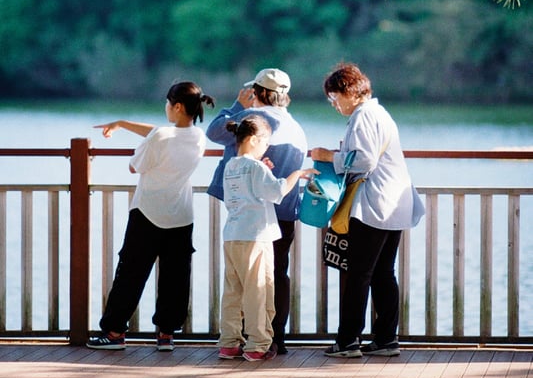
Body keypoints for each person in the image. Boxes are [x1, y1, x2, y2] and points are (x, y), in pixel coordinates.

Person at [86, 81, 215, 351]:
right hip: (181, 215)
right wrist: (123, 123)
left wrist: (129, 130)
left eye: (168, 103)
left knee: (131, 273)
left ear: (177, 106)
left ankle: (114, 333)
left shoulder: (160, 137)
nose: (166, 107)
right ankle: (166, 334)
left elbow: (136, 166)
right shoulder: (199, 137)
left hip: (148, 213)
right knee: (175, 277)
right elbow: (164, 134)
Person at [311, 62, 424, 359]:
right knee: (384, 273)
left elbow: (363, 161)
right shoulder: (379, 113)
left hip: (374, 205)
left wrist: (328, 156)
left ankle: (348, 340)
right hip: (395, 204)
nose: (334, 105)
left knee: (358, 273)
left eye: (334, 98)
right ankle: (386, 338)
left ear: (349, 92)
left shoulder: (363, 116)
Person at [206, 68, 308, 354]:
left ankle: (240, 340)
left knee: (242, 282)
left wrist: (238, 105)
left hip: (250, 219)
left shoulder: (253, 121)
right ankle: (274, 339)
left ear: (258, 92)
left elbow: (214, 131)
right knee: (276, 276)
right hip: (284, 213)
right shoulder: (296, 127)